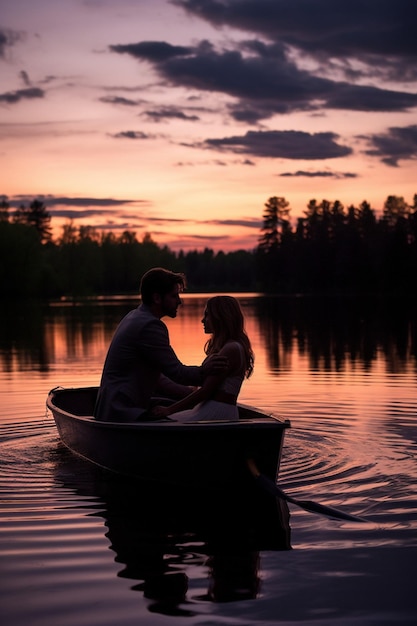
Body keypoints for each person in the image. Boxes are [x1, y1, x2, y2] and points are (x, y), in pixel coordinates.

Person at [94, 268, 228, 422]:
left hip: (111, 407)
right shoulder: (150, 326)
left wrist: (187, 392)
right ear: (157, 298)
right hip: (122, 411)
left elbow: (159, 378)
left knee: (172, 407)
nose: (179, 301)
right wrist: (205, 371)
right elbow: (177, 372)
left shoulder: (134, 316)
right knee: (178, 418)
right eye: (174, 296)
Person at [151, 295, 254, 422]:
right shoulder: (227, 347)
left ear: (220, 318)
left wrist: (169, 410)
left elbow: (206, 391)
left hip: (216, 413)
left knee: (160, 420)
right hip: (209, 408)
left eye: (207, 315)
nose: (202, 320)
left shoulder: (231, 349)